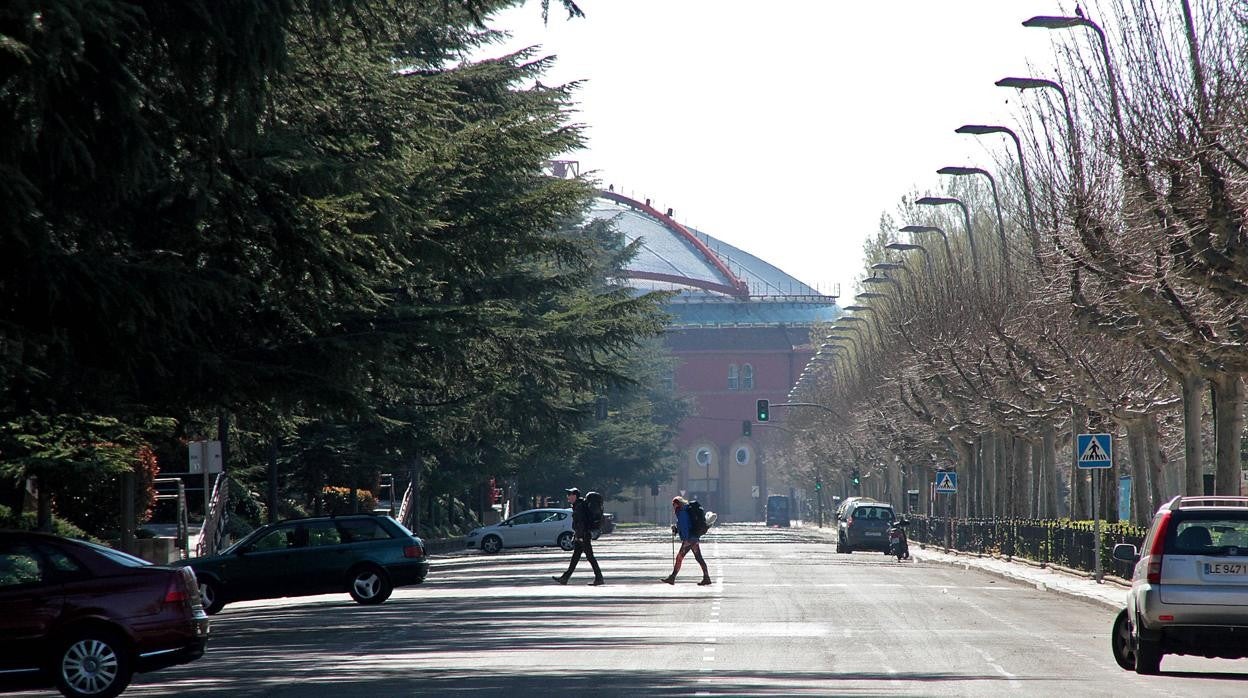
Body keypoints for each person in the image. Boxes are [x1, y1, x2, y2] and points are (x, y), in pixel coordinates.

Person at [553, 487, 604, 586]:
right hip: (580, 535)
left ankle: (599, 578)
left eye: (569, 495)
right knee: (575, 557)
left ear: (574, 496)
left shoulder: (579, 506)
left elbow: (581, 522)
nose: (567, 497)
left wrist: (580, 536)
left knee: (590, 557)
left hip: (583, 535)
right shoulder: (578, 505)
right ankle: (565, 577)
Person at [661, 496, 711, 585]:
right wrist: (676, 529)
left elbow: (684, 527)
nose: (673, 506)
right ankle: (706, 578)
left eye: (674, 504)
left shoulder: (682, 512)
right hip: (693, 537)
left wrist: (685, 539)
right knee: (699, 558)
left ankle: (672, 578)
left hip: (689, 539)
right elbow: (686, 525)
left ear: (678, 503)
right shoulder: (685, 510)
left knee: (679, 557)